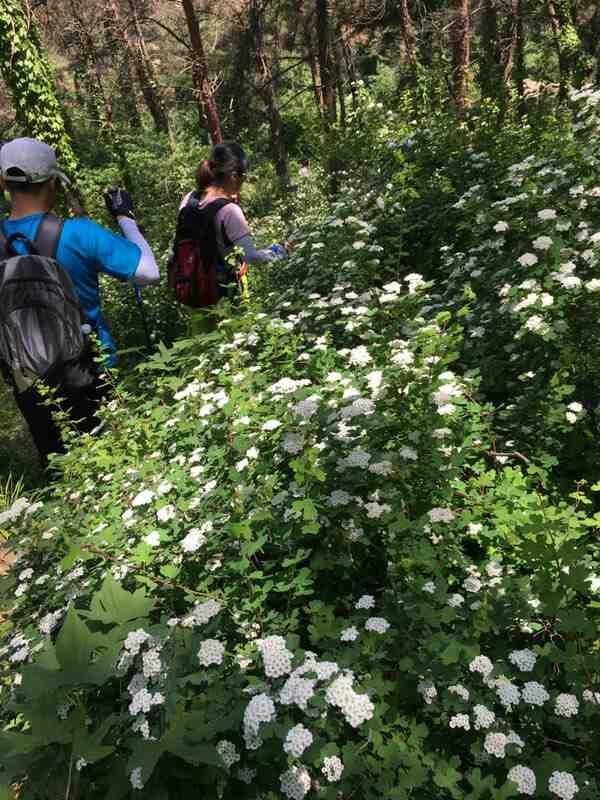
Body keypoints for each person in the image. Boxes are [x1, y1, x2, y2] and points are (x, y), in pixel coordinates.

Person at [0, 137, 159, 465]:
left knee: (65, 475)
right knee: (118, 467)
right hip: (91, 373)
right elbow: (149, 272)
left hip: (29, 381)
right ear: (54, 182)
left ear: (3, 182)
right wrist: (125, 218)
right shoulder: (79, 233)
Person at [177, 141, 287, 301]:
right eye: (244, 176)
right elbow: (250, 257)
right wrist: (279, 251)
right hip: (225, 296)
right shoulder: (229, 210)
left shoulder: (189, 198)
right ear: (234, 175)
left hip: (192, 293)